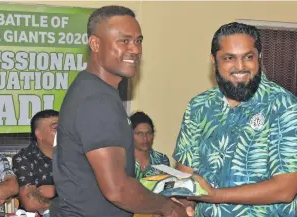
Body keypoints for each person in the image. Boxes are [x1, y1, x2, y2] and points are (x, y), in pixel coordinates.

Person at [52, 5, 192, 217]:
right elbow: (118, 189)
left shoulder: (92, 89)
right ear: (95, 44)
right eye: (124, 41)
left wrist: (160, 200)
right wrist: (170, 209)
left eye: (138, 41)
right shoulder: (97, 100)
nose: (135, 49)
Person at [173, 22, 297, 217]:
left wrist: (216, 195)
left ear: (259, 57)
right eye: (229, 58)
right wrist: (180, 203)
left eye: (248, 57)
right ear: (214, 60)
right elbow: (186, 175)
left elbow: (285, 189)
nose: (240, 67)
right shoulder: (199, 106)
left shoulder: (283, 106)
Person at [12, 109, 59, 217]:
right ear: (39, 134)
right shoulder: (24, 158)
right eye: (56, 128)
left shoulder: (75, 155)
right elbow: (30, 203)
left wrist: (55, 189)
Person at [130, 111, 170, 179]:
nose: (145, 138)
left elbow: (168, 186)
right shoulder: (123, 161)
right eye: (140, 133)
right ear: (129, 134)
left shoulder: (162, 160)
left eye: (148, 133)